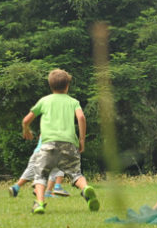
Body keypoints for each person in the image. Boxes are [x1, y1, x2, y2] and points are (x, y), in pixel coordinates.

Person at [21, 69, 99, 214]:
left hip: (48, 144)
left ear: (50, 86)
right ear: (67, 86)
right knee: (75, 174)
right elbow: (81, 118)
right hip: (69, 143)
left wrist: (26, 130)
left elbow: (26, 120)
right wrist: (82, 139)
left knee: (40, 174)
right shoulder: (73, 102)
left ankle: (39, 202)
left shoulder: (44, 101)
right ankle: (85, 188)